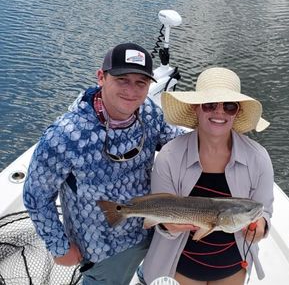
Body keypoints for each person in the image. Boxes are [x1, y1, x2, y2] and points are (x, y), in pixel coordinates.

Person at [23, 43, 184, 285]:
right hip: (103, 249)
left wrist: (214, 135)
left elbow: (168, 137)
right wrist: (59, 248)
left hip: (152, 227)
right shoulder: (65, 135)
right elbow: (36, 195)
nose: (132, 91)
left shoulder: (149, 111)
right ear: (101, 77)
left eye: (141, 82)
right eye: (122, 79)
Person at [141, 67, 274, 285]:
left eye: (229, 106)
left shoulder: (258, 158)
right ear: (196, 108)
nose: (219, 112)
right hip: (179, 267)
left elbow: (264, 210)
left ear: (237, 112)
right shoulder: (169, 156)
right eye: (210, 104)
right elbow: (160, 213)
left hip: (233, 269)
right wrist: (167, 225)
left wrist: (260, 228)